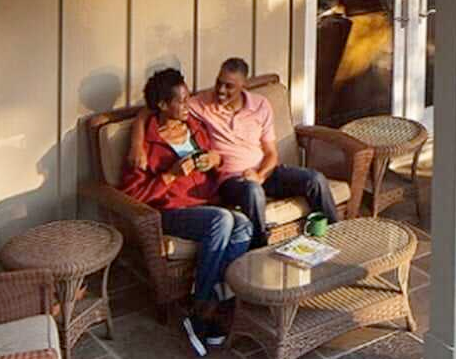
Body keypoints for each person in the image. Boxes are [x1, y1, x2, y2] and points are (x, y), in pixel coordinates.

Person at [130, 56, 341, 246]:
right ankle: (259, 249)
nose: (221, 91)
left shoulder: (261, 105)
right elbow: (154, 107)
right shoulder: (200, 104)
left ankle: (337, 238)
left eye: (229, 86)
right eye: (219, 83)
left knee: (315, 179)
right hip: (231, 180)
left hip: (263, 172)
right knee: (252, 191)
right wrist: (137, 142)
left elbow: (271, 154)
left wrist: (259, 175)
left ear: (244, 86)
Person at [120, 67, 252, 358]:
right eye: (181, 100)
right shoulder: (144, 145)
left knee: (243, 223)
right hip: (169, 213)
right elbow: (132, 197)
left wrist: (213, 159)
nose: (187, 104)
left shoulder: (194, 125)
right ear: (163, 105)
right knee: (223, 219)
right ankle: (201, 307)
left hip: (205, 204)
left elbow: (217, 156)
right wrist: (169, 175)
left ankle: (218, 298)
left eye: (188, 96)